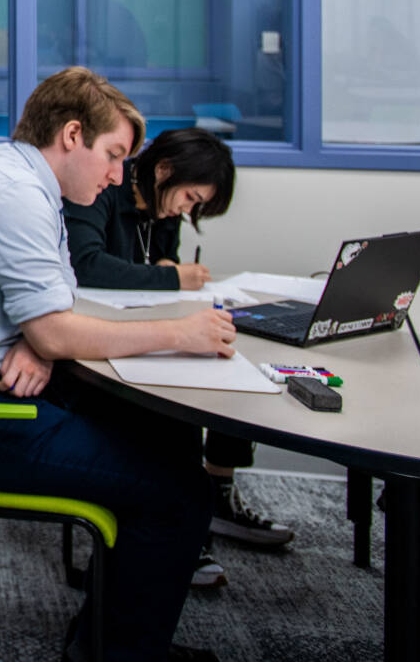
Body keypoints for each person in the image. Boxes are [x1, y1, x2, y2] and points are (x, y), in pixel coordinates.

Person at [0, 67, 231, 662]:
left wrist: (36, 339)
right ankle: (118, 654)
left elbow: (57, 299)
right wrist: (179, 333)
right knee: (179, 493)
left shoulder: (26, 182)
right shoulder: (17, 195)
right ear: (72, 135)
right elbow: (55, 324)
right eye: (112, 155)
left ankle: (114, 638)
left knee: (165, 434)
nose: (116, 174)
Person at [64, 127, 295, 592]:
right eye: (189, 197)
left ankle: (214, 494)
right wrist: (169, 280)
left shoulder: (163, 205)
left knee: (224, 356)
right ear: (162, 171)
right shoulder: (104, 186)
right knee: (176, 402)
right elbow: (85, 264)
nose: (186, 210)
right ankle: (182, 520)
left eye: (197, 206)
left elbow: (161, 263)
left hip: (145, 328)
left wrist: (167, 275)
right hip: (97, 345)